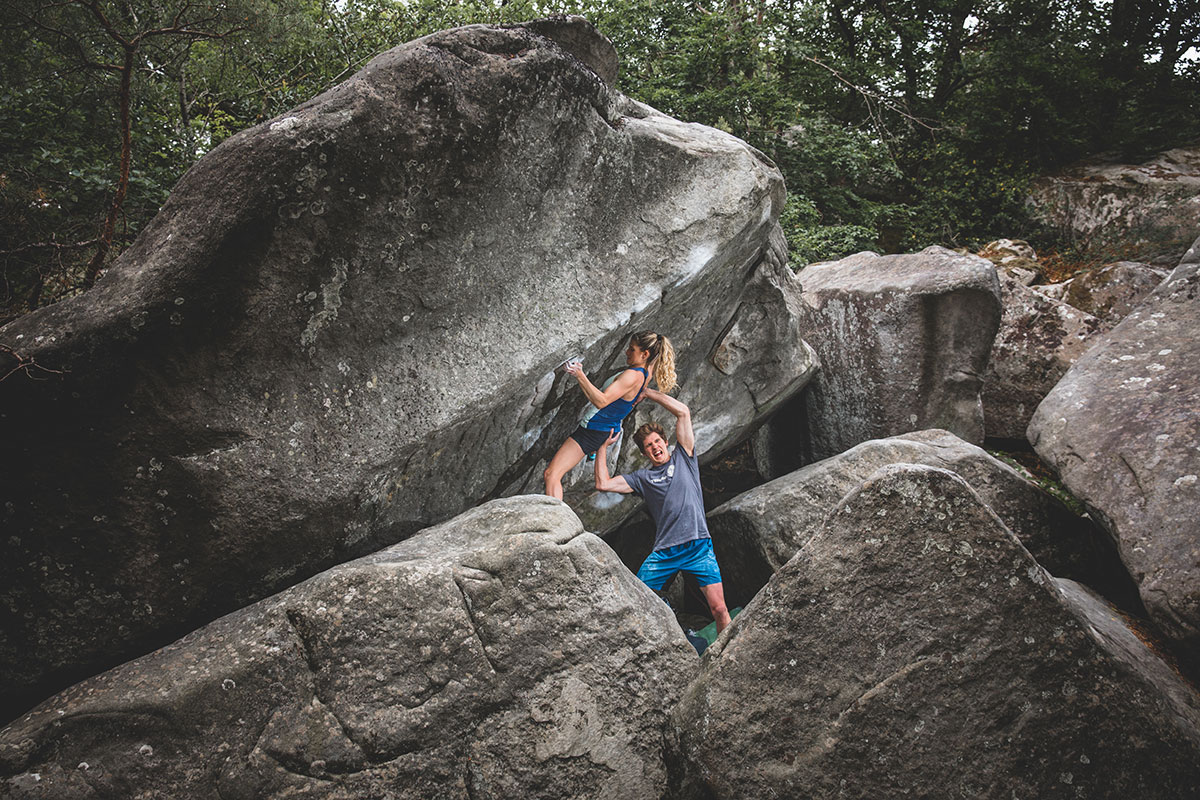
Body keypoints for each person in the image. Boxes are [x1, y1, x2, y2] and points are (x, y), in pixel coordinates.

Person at [593, 388, 731, 633]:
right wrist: (602, 445)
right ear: (645, 453)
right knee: (637, 600)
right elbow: (603, 483)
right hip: (664, 553)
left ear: (665, 442)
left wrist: (647, 392)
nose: (655, 447)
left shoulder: (684, 458)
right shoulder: (642, 478)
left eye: (657, 441)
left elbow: (683, 413)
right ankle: (669, 615)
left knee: (719, 609)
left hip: (698, 546)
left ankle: (726, 655)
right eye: (649, 446)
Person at [543, 331, 676, 500]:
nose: (626, 352)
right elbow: (653, 360)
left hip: (593, 430)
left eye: (631, 349)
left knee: (552, 474)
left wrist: (579, 374)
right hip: (604, 428)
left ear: (645, 354)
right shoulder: (645, 373)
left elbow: (602, 401)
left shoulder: (632, 376)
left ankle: (556, 522)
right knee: (553, 473)